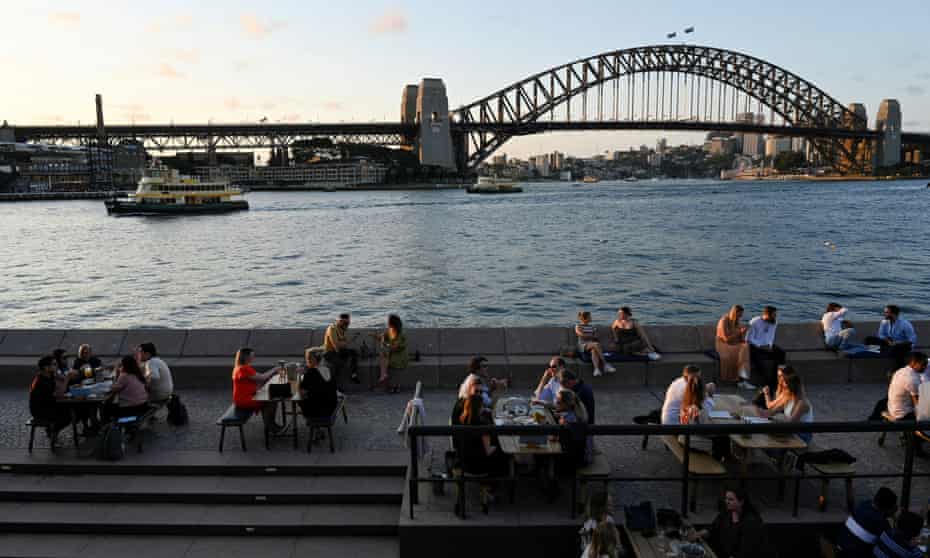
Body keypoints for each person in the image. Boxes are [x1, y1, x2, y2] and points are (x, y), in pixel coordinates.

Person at [450, 374, 509, 501]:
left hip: (462, 457)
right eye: (477, 391)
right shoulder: (481, 424)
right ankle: (491, 488)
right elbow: (488, 450)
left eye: (481, 392)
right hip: (477, 463)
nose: (480, 394)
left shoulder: (464, 412)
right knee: (504, 452)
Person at [695, 488, 775, 558]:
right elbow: (714, 527)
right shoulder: (726, 513)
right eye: (726, 499)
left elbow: (746, 550)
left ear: (741, 502)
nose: (727, 502)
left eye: (731, 499)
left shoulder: (751, 521)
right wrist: (701, 533)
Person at [835, 486, 898, 558]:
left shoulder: (864, 504)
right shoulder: (881, 523)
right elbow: (892, 542)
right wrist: (894, 517)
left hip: (839, 550)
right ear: (887, 508)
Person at [231, 347, 284, 429]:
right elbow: (262, 377)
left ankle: (270, 424)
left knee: (270, 396)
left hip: (241, 398)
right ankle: (270, 425)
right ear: (246, 357)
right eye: (252, 356)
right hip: (245, 399)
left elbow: (258, 379)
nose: (253, 357)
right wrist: (275, 369)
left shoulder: (239, 367)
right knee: (271, 399)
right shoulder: (244, 368)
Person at [746, 306, 785, 394]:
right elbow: (749, 338)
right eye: (774, 315)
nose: (775, 317)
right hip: (755, 346)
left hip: (767, 346)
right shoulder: (755, 322)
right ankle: (764, 385)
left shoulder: (774, 322)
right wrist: (760, 346)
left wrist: (769, 346)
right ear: (767, 314)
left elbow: (771, 336)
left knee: (781, 354)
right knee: (759, 361)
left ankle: (775, 381)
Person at [29, 355, 73, 432]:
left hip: (48, 405)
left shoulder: (49, 375)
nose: (57, 366)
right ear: (46, 367)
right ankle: (52, 431)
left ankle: (52, 430)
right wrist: (67, 379)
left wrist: (60, 376)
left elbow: (58, 388)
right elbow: (59, 393)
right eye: (54, 364)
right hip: (40, 411)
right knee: (69, 414)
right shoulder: (42, 381)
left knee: (72, 409)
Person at [298, 348, 338, 424]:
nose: (307, 361)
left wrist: (300, 376)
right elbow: (334, 388)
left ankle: (311, 422)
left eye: (308, 358)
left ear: (313, 359)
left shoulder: (310, 373)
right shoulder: (329, 369)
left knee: (299, 399)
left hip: (315, 412)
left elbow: (301, 393)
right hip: (330, 409)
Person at [770, 374, 814, 443]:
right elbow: (773, 411)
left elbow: (791, 424)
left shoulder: (802, 403)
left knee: (772, 437)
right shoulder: (789, 398)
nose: (782, 390)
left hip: (802, 435)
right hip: (793, 430)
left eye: (784, 388)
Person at [103, 356, 150, 421]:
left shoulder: (124, 376)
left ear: (124, 366)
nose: (120, 367)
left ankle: (107, 424)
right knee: (110, 404)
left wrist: (117, 375)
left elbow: (113, 389)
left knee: (105, 407)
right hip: (143, 406)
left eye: (121, 365)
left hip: (130, 409)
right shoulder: (138, 374)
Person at [886, 352, 928, 421]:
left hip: (893, 409)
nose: (925, 367)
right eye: (923, 364)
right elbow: (918, 404)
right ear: (913, 363)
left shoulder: (901, 371)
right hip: (903, 414)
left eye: (926, 364)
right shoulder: (912, 378)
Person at [715, 305, 750, 386]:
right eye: (739, 315)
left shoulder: (736, 322)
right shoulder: (724, 321)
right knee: (743, 351)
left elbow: (741, 338)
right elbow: (726, 339)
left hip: (734, 343)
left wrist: (744, 333)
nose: (740, 317)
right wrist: (740, 332)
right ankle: (741, 380)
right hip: (723, 344)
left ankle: (742, 379)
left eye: (741, 315)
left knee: (745, 347)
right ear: (735, 313)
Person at [374, 314, 407, 394]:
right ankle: (384, 375)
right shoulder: (390, 331)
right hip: (392, 353)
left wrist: (384, 343)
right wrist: (375, 336)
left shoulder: (401, 334)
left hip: (399, 356)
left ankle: (387, 379)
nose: (387, 324)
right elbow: (382, 337)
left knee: (385, 357)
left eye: (388, 323)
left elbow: (394, 347)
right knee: (383, 355)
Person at [323, 313, 360, 385]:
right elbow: (336, 345)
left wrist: (350, 340)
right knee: (339, 363)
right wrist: (350, 340)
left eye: (348, 323)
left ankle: (353, 374)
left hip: (338, 350)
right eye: (345, 323)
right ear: (339, 321)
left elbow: (343, 344)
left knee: (354, 353)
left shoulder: (342, 329)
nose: (347, 325)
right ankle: (332, 385)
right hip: (329, 353)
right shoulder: (332, 329)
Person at [576, 311, 615, 377]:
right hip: (582, 345)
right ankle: (605, 364)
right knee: (596, 344)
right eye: (590, 317)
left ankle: (596, 369)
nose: (591, 318)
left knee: (594, 351)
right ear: (585, 318)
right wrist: (591, 336)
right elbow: (581, 335)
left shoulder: (592, 327)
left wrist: (589, 336)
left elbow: (596, 336)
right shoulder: (578, 326)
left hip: (591, 344)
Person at [579, 489, 616, 555]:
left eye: (612, 503)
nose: (613, 506)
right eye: (609, 505)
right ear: (601, 507)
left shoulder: (610, 519)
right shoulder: (590, 523)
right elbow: (585, 545)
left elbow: (613, 538)